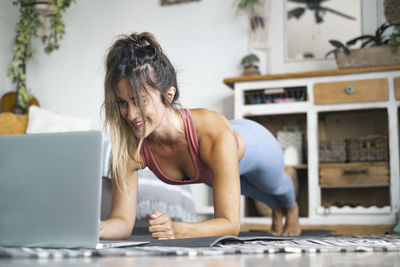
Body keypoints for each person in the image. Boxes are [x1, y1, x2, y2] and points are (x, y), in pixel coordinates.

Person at [100, 32, 301, 240]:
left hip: (255, 144)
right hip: (211, 166)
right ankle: (277, 209)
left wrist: (178, 230)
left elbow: (231, 225)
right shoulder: (129, 149)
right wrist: (96, 227)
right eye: (123, 102)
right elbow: (122, 223)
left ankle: (291, 207)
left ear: (168, 96)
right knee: (253, 191)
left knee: (274, 185)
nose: (131, 114)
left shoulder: (212, 131)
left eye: (140, 101)